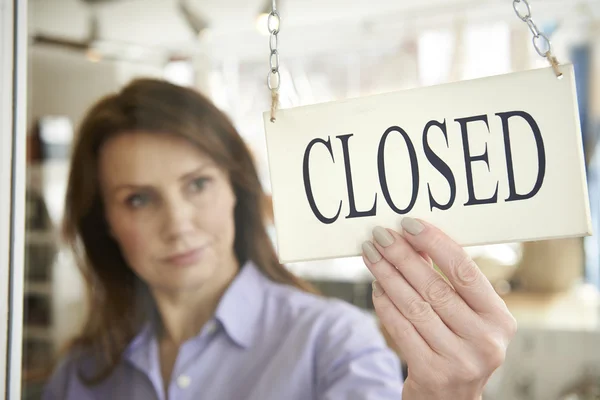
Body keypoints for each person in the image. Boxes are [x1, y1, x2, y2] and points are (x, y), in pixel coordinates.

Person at [42, 79, 516, 400]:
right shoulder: (81, 374)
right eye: (139, 200)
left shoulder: (333, 342)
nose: (179, 224)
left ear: (236, 188)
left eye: (197, 184)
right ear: (103, 220)